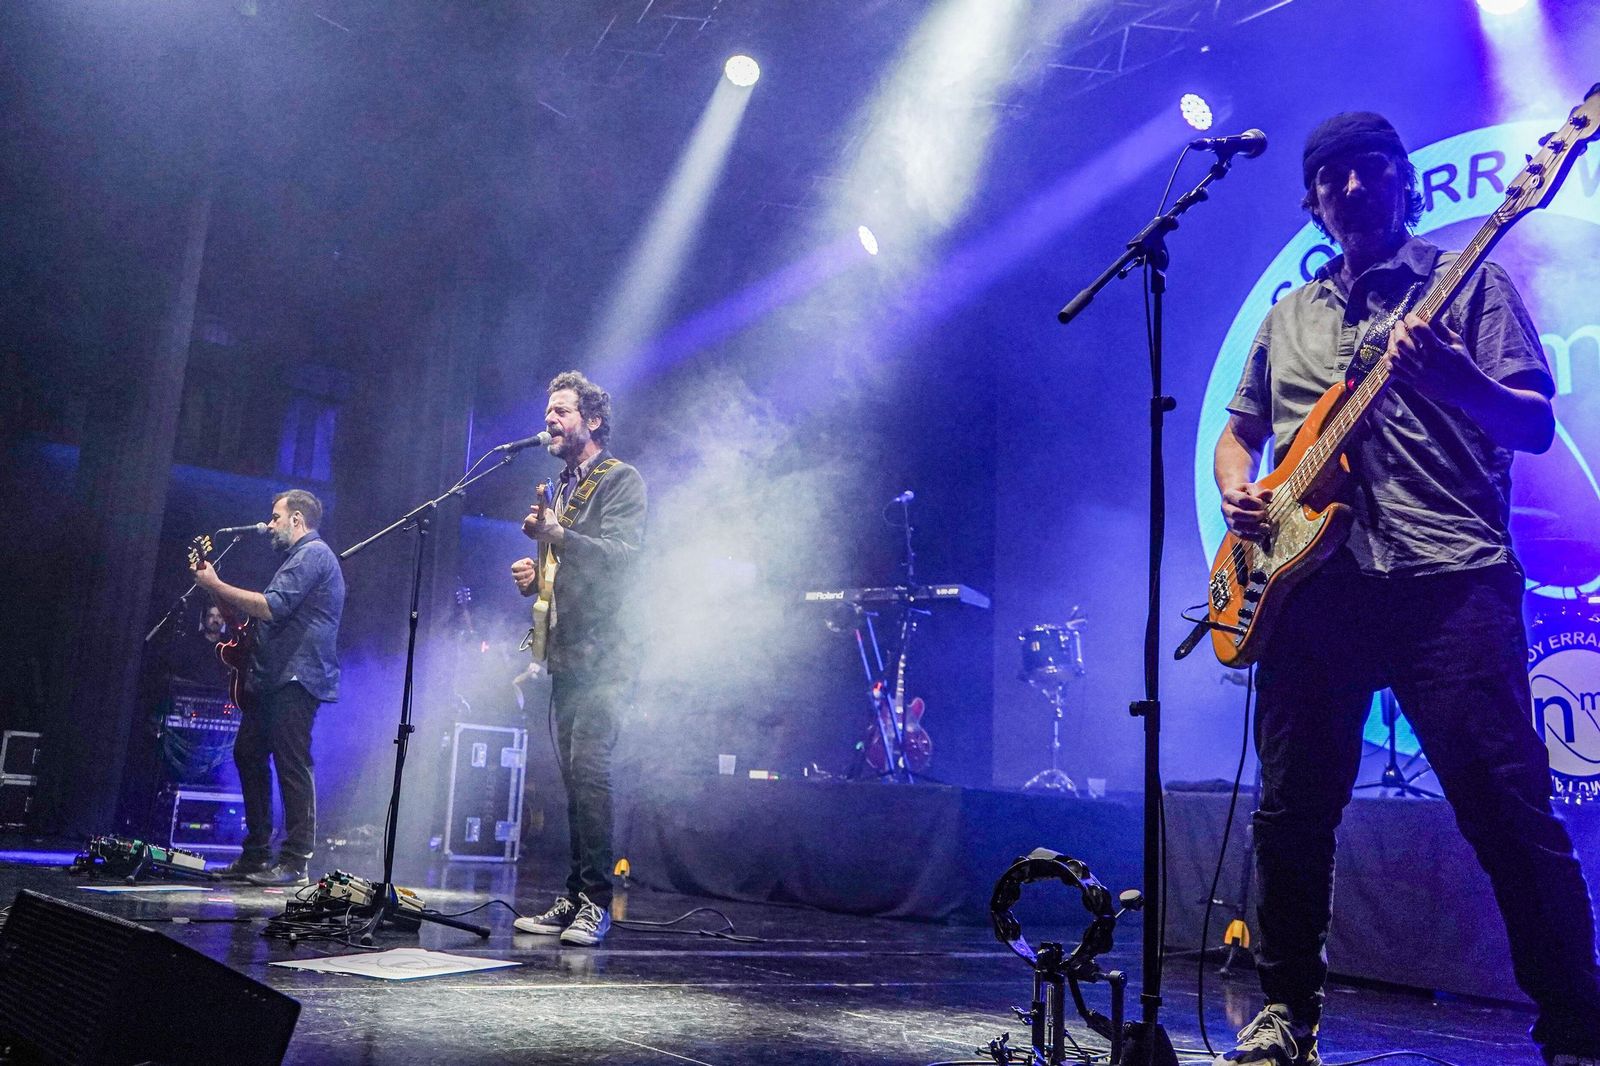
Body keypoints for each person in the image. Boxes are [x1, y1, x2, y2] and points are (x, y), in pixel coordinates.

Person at [1211, 112, 1600, 1066]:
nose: (1351, 186)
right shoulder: (1289, 316)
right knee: (1292, 812)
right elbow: (1240, 433)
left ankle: (1581, 1029)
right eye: (1331, 175)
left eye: (1371, 169)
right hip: (1311, 592)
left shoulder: (1468, 281)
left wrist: (1461, 380)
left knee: (1507, 809)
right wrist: (1236, 490)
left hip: (1446, 579)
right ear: (1312, 200)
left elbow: (1535, 428)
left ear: (1403, 182)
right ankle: (1285, 1015)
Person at [509, 370, 646, 947]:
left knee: (590, 774)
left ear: (592, 419)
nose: (551, 421)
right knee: (569, 776)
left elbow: (621, 556)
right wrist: (533, 575)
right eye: (548, 413)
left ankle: (596, 903)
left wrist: (558, 536)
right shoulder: (562, 486)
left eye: (562, 411)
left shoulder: (621, 481)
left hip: (608, 653)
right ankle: (574, 894)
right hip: (566, 652)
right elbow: (562, 574)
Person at [190, 489, 344, 887]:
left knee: (292, 763)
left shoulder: (313, 554)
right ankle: (257, 853)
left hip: (297, 677)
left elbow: (271, 607)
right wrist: (215, 590)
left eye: (276, 517)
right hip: (273, 677)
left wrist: (218, 585)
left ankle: (295, 861)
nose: (270, 524)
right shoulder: (297, 559)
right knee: (248, 753)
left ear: (297, 519)